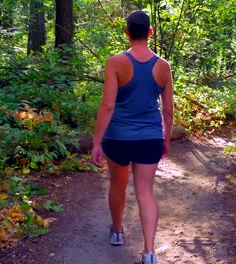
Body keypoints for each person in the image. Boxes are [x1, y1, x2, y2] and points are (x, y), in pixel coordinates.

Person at [91, 10, 173, 264]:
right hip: (150, 138)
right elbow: (168, 110)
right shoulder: (163, 66)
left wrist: (96, 141)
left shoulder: (115, 62)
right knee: (145, 191)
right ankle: (149, 253)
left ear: (127, 32)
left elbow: (107, 106)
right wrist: (166, 139)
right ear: (149, 32)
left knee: (117, 184)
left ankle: (117, 232)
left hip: (118, 138)